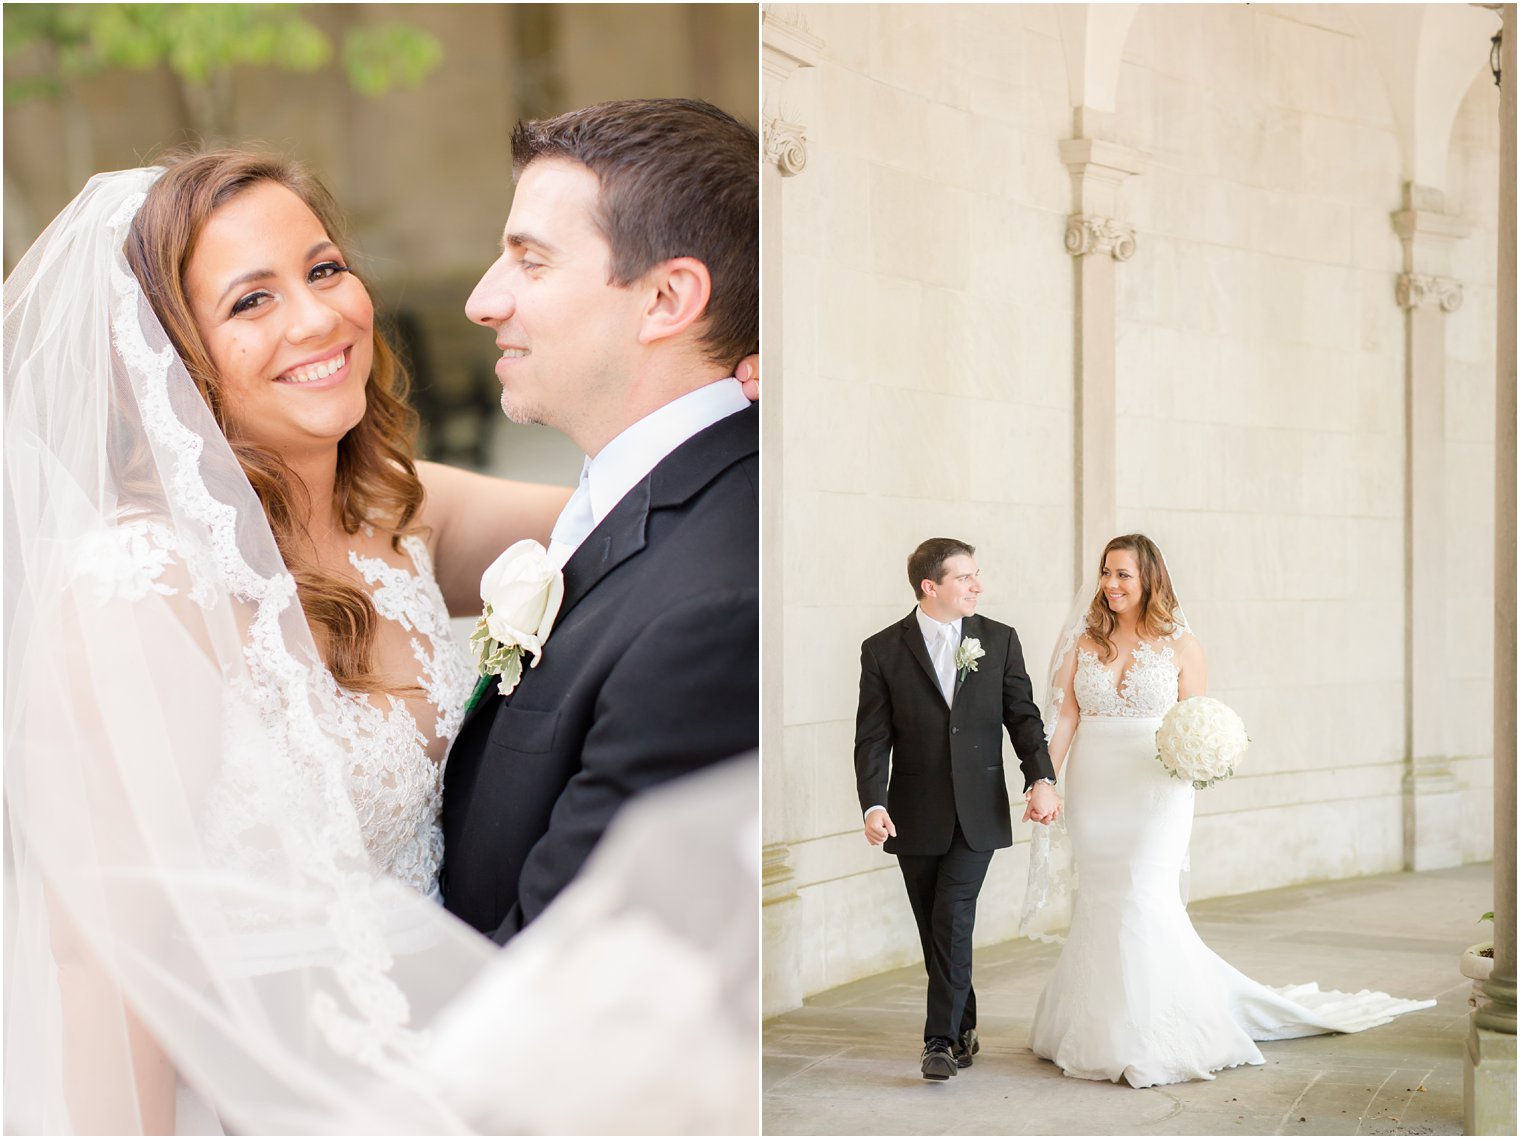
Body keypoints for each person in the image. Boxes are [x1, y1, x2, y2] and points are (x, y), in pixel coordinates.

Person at [3, 140, 758, 1133]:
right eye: (250, 300)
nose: (317, 317)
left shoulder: (403, 511)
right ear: (168, 357)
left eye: (323, 270)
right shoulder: (144, 583)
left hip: (440, 1080)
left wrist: (750, 401)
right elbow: (101, 962)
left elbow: (636, 518)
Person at [441, 98, 760, 943]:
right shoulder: (629, 500)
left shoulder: (714, 613)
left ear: (665, 298)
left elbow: (560, 974)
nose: (483, 299)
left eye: (531, 262)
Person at [1026, 533, 1435, 1088]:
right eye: (1105, 573)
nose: (1110, 585)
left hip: (1156, 791)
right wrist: (1043, 781)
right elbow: (1067, 717)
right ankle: (1093, 1025)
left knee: (1144, 894)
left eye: (1123, 574)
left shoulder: (1180, 644)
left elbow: (1196, 717)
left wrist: (1203, 755)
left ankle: (1155, 1032)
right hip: (1095, 786)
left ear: (1149, 579)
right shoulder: (1084, 641)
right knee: (1102, 896)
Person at [853, 537, 1058, 1080]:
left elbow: (1024, 717)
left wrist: (1041, 777)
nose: (977, 586)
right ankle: (963, 1025)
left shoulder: (999, 639)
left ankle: (939, 1041)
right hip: (913, 812)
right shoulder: (882, 650)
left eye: (976, 576)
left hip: (977, 809)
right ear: (931, 586)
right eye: (965, 577)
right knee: (935, 927)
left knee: (952, 918)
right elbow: (871, 738)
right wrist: (873, 803)